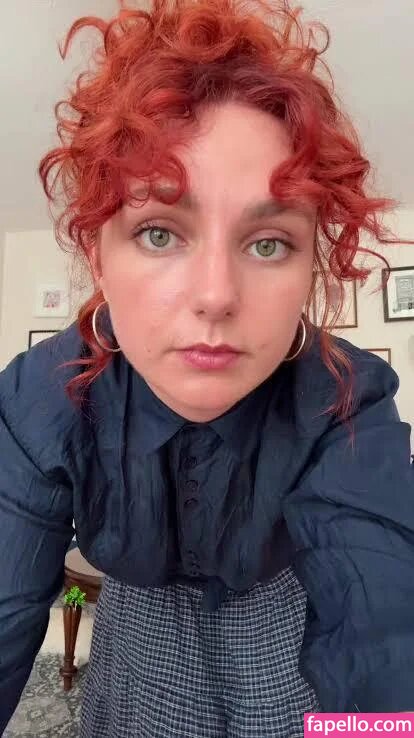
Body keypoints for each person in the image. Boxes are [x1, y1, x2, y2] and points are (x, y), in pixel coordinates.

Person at [1, 0, 414, 735]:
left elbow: (382, 628)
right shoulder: (43, 396)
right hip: (135, 631)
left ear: (309, 263)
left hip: (289, 627)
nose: (217, 296)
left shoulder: (346, 396)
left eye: (268, 243)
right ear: (98, 254)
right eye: (160, 232)